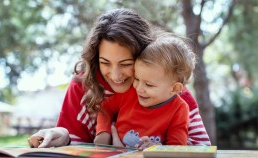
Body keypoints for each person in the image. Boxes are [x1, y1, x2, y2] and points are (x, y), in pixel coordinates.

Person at [28, 8, 211, 148]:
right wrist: (63, 135)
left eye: (125, 64)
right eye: (105, 62)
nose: (115, 76)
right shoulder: (83, 85)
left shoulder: (165, 86)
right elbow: (75, 146)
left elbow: (202, 146)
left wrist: (158, 149)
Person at [95, 33, 196, 149]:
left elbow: (176, 147)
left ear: (174, 88)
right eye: (137, 79)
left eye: (148, 84)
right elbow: (105, 108)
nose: (138, 88)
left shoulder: (179, 109)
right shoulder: (130, 93)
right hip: (115, 155)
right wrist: (103, 132)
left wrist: (156, 148)